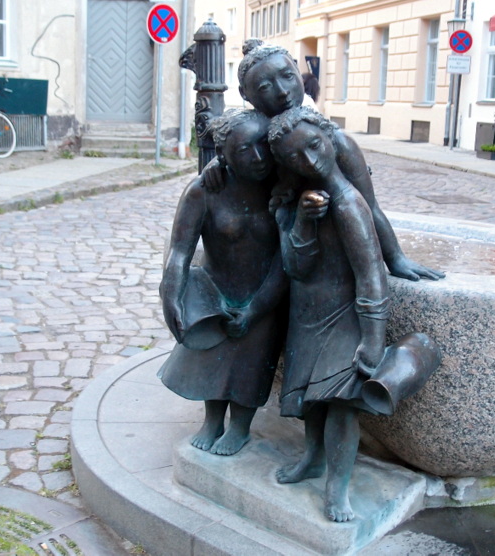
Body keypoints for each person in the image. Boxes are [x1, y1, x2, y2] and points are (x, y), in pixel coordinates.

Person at [203, 39, 444, 283]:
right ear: (246, 94)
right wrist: (218, 164)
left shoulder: (333, 140)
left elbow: (369, 206)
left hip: (320, 255)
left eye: (287, 75)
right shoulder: (258, 138)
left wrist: (394, 258)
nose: (283, 91)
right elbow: (234, 150)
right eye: (265, 87)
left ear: (298, 69)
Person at [268, 106, 389, 522]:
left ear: (329, 140)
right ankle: (313, 458)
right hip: (307, 317)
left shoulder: (349, 204)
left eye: (315, 146)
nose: (310, 161)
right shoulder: (299, 203)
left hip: (344, 317)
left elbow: (372, 275)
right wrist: (302, 222)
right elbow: (295, 266)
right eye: (295, 157)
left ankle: (337, 487)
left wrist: (372, 339)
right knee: (311, 401)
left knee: (339, 404)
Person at [159, 109, 285, 456]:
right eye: (244, 150)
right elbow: (180, 252)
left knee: (251, 365)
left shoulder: (280, 186)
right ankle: (212, 420)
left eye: (262, 145)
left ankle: (240, 428)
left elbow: (283, 260)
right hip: (216, 290)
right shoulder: (203, 191)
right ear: (223, 154)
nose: (258, 157)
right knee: (211, 357)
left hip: (265, 294)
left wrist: (258, 307)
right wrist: (171, 295)